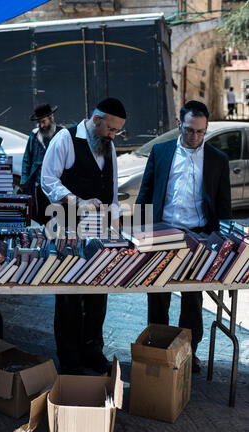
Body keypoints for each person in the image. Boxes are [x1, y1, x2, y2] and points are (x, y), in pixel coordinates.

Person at [136, 100, 231, 373]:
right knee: (158, 295)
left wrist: (223, 240)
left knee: (193, 298)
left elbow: (224, 204)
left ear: (206, 128)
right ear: (179, 124)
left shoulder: (217, 159)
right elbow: (145, 194)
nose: (195, 137)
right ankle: (157, 347)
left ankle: (189, 352)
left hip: (199, 236)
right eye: (190, 130)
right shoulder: (161, 152)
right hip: (163, 231)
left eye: (200, 132)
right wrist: (140, 231)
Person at [41, 97, 126, 375]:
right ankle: (69, 358)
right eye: (110, 129)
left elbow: (111, 191)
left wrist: (116, 226)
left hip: (99, 231)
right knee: (68, 295)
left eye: (117, 132)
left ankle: (92, 350)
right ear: (96, 119)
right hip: (67, 228)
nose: (113, 136)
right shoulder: (65, 139)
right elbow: (48, 180)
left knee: (97, 294)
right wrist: (76, 200)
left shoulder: (109, 146)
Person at [20, 103, 62, 224]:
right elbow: (27, 160)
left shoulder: (62, 134)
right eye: (39, 122)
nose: (41, 125)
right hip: (38, 186)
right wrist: (24, 182)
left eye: (44, 121)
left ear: (52, 118)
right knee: (39, 217)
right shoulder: (34, 135)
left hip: (56, 185)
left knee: (56, 219)